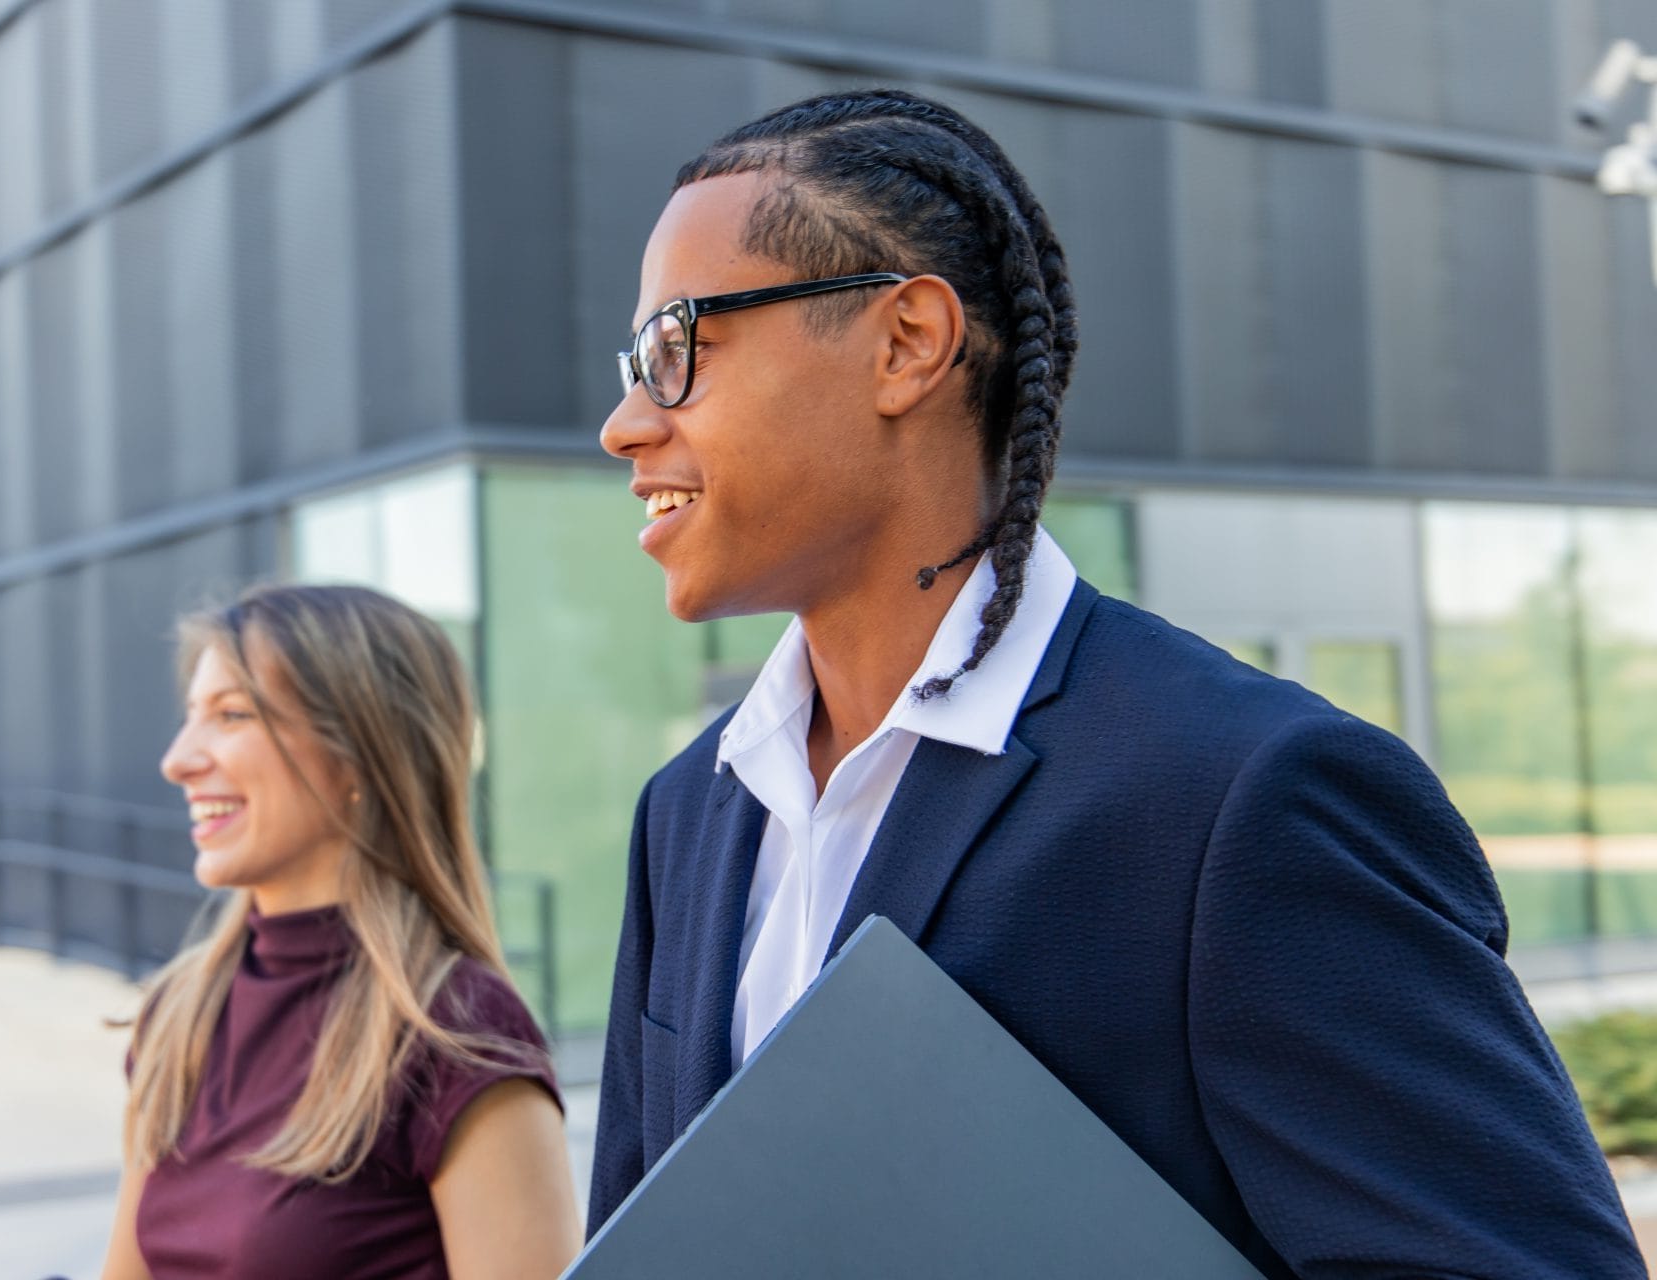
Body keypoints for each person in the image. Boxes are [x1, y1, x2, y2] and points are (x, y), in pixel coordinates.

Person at [587, 88, 1644, 1276]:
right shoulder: (686, 811)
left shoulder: (1244, 797)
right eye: (638, 362)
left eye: (679, 349)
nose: (626, 423)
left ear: (906, 343)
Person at [101, 585, 580, 1280]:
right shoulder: (182, 1012)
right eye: (191, 717)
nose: (179, 760)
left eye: (232, 715)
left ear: (358, 753)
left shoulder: (456, 1032)